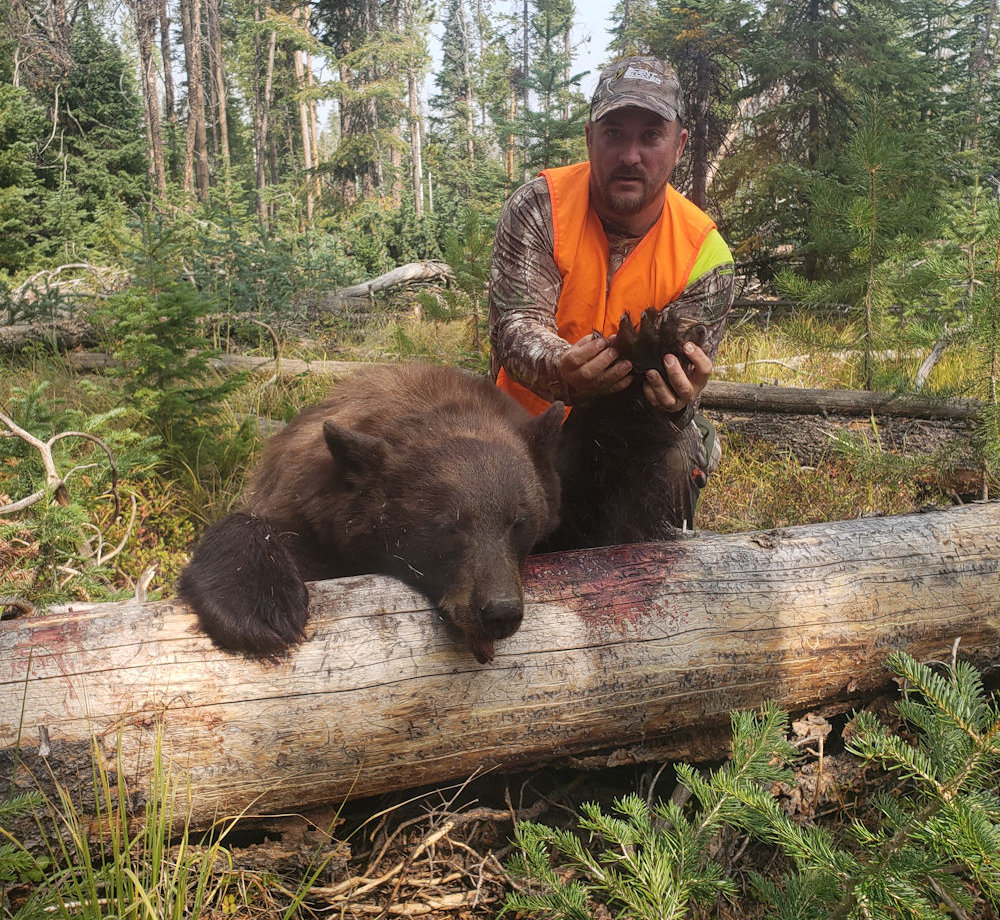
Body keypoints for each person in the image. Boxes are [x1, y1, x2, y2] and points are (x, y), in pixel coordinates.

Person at [488, 54, 735, 533]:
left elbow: (679, 394)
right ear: (589, 138)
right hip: (521, 423)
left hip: (629, 434)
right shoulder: (541, 207)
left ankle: (650, 578)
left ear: (679, 145)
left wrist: (680, 399)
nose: (630, 155)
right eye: (614, 133)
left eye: (650, 135)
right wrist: (563, 370)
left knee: (679, 455)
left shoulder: (705, 253)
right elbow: (513, 327)